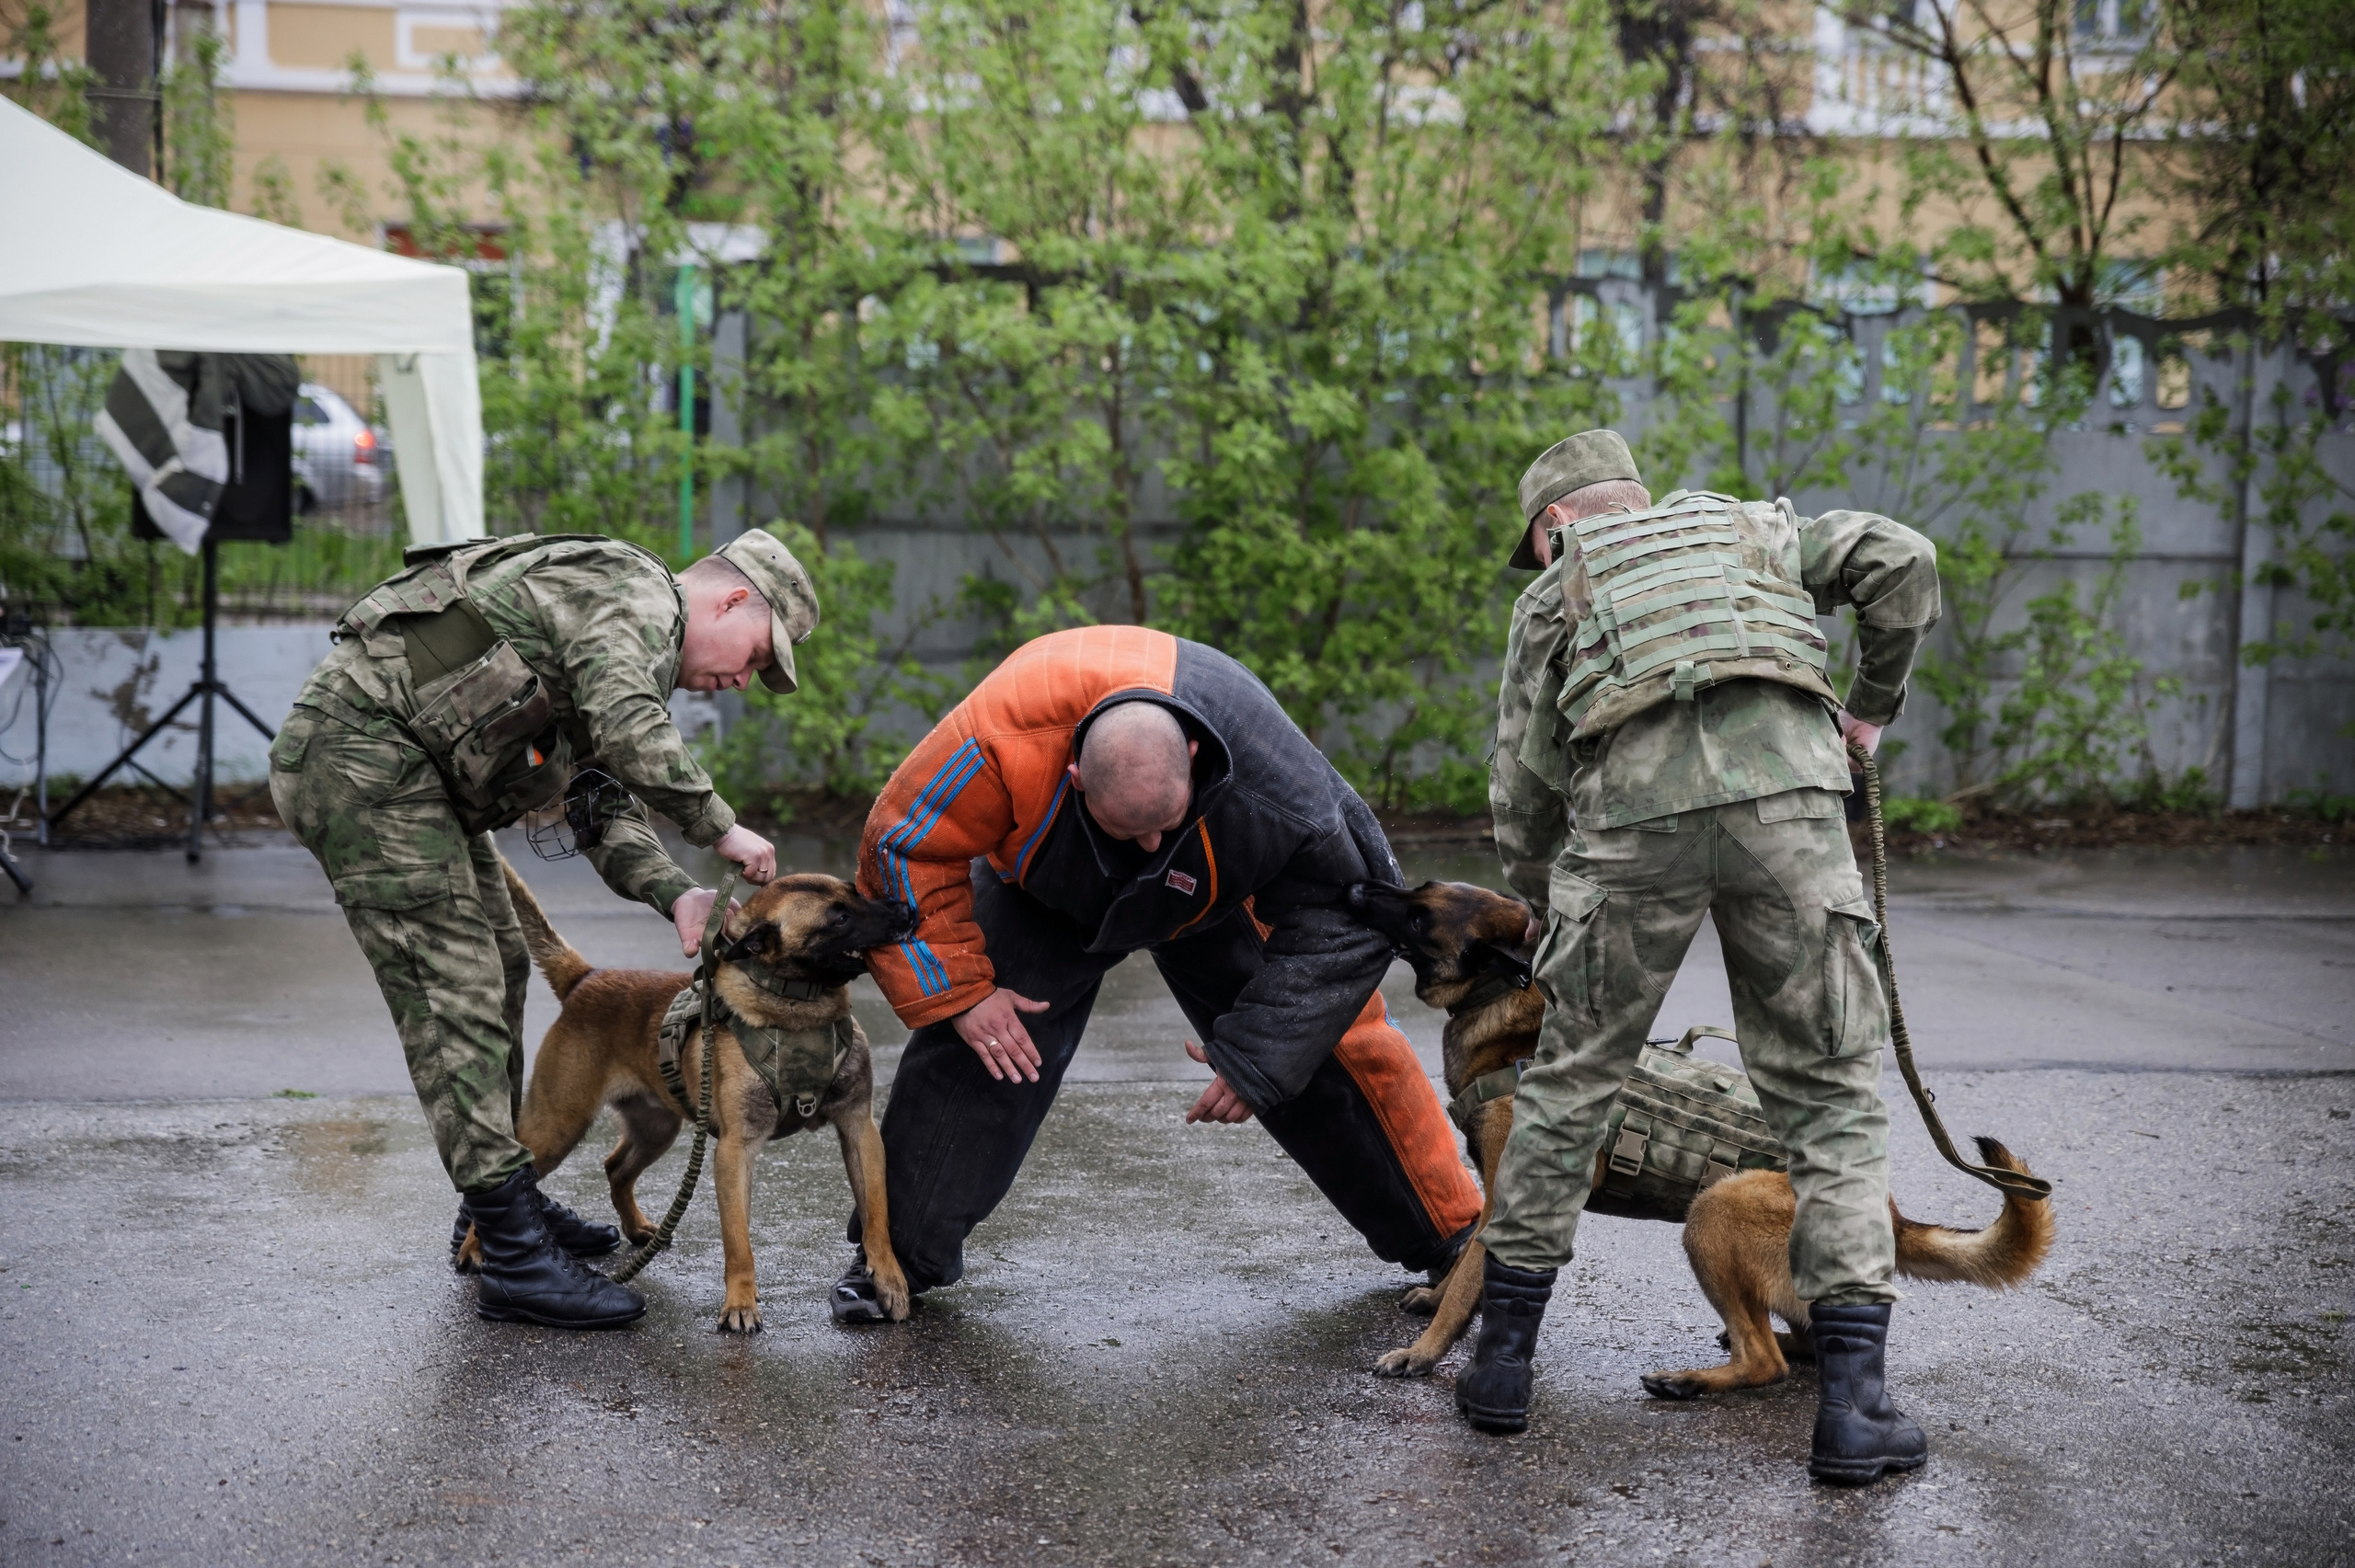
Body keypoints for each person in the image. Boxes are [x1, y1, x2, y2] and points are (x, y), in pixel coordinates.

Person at [1459, 429, 1942, 1484]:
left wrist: (1546, 900)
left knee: (1570, 1084)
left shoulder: (1555, 592)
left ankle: (1500, 1369)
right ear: (1636, 497)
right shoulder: (1755, 528)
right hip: (1790, 816)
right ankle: (1854, 1407)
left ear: (1554, 527)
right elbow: (1902, 560)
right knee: (1830, 1098)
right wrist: (1868, 712)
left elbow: (1523, 781)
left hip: (1631, 828)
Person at [828, 625, 1484, 1320]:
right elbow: (901, 846)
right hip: (1045, 888)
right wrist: (961, 993)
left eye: (1161, 825)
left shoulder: (1274, 777)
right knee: (985, 1047)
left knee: (1330, 1044)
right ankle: (890, 1257)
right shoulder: (998, 737)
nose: (1147, 847)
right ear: (1074, 775)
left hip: (1213, 888)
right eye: (1126, 831)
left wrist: (1262, 1054)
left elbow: (1348, 915)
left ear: (1196, 758)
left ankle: (1458, 1237)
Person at [269, 527, 818, 1330]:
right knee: (453, 994)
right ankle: (517, 1260)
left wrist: (676, 894)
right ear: (733, 597)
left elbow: (596, 794)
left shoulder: (613, 649)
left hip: (408, 777)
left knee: (501, 968)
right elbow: (633, 727)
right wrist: (719, 826)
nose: (745, 679)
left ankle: (500, 1210)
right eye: (759, 653)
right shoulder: (634, 591)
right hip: (363, 764)